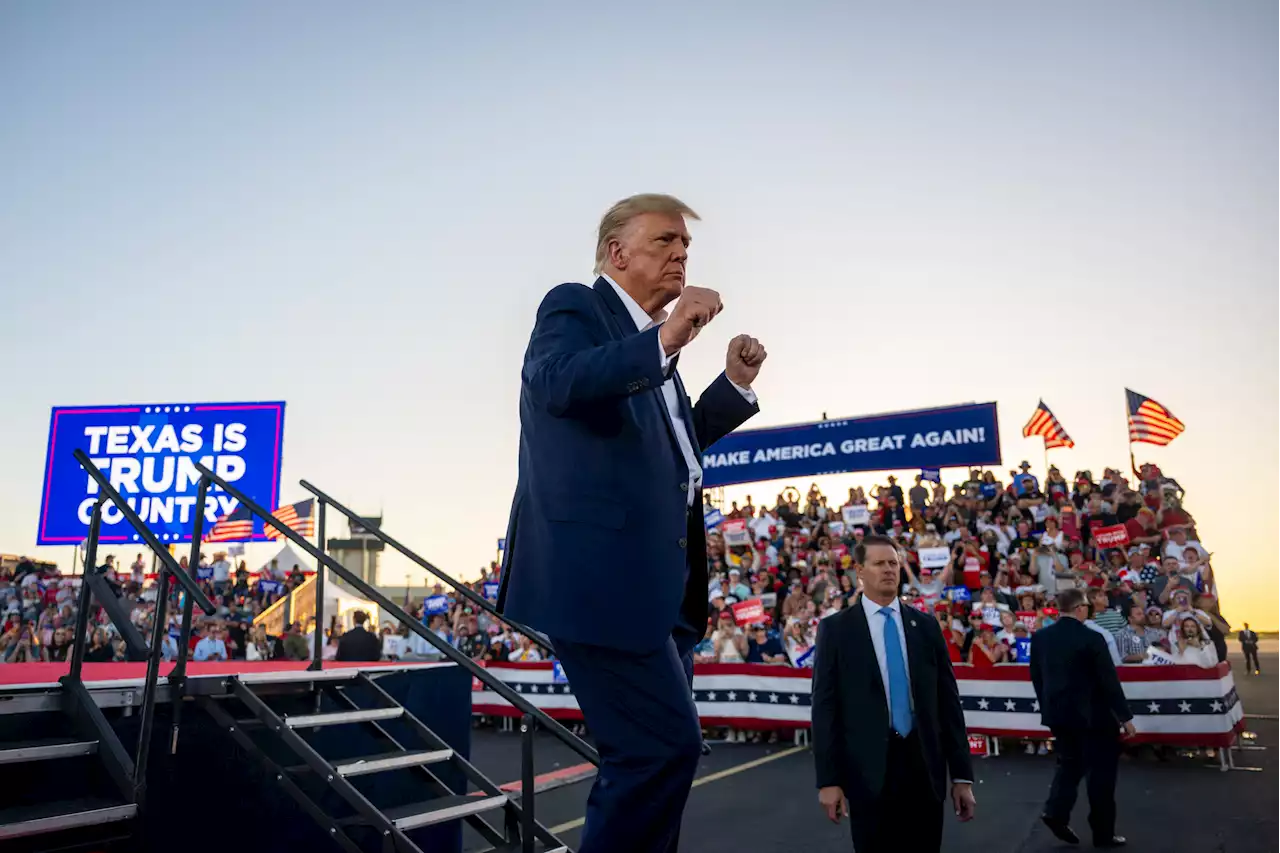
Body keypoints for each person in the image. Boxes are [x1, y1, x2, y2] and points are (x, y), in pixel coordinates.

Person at [497, 193, 766, 853]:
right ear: (618, 252)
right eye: (665, 241)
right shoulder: (575, 307)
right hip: (600, 582)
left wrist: (730, 386)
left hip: (659, 591)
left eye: (686, 246)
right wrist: (665, 340)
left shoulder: (653, 358)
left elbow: (677, 449)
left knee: (650, 757)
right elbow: (555, 380)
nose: (680, 254)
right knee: (660, 751)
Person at [811, 535, 976, 852]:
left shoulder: (926, 627)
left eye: (893, 563)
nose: (888, 569)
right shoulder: (837, 630)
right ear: (860, 571)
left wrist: (962, 776)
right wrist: (828, 780)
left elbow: (948, 705)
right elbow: (825, 709)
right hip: (867, 773)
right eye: (878, 563)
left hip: (924, 769)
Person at [1029, 587, 1136, 848]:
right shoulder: (1092, 638)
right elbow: (1108, 681)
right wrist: (1124, 717)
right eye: (1086, 606)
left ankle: (1055, 812)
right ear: (1079, 609)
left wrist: (1048, 708)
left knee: (1069, 766)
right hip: (1094, 718)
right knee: (1101, 776)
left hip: (1059, 715)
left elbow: (1037, 677)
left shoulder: (1041, 638)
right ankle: (1103, 833)